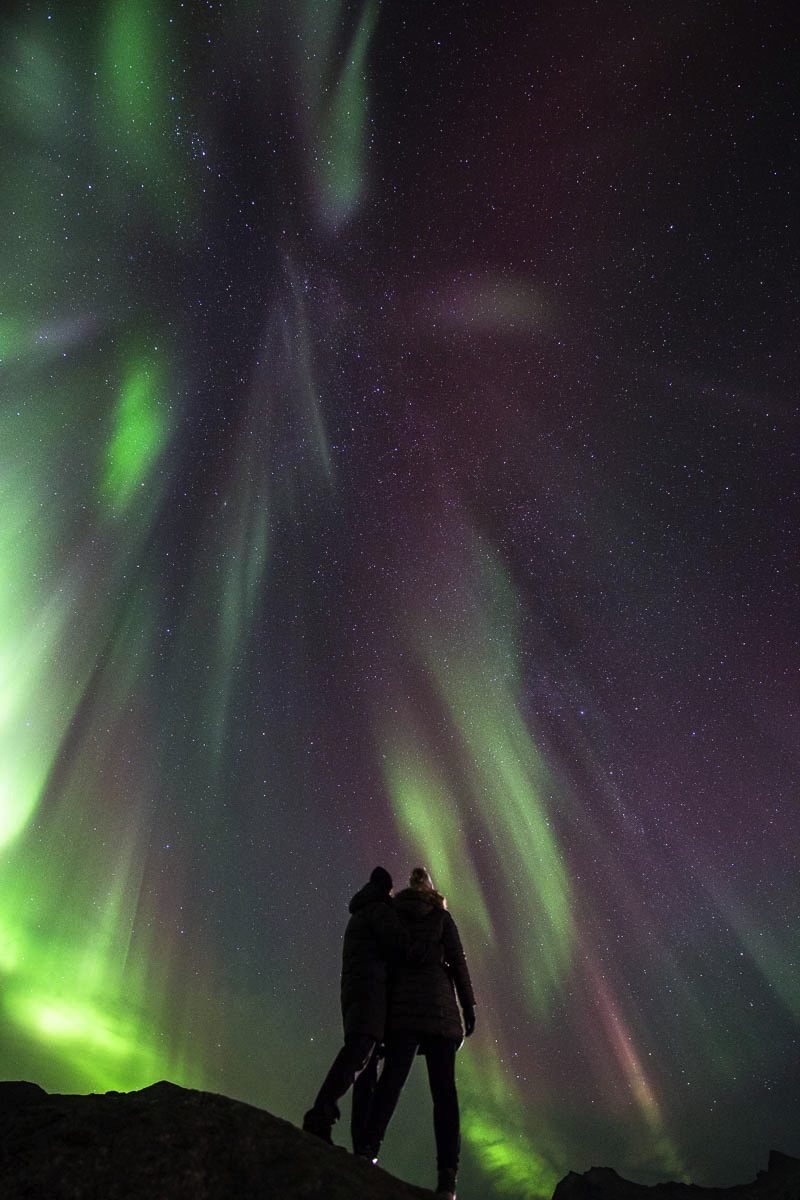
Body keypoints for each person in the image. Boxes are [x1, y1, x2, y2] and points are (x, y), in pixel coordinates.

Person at [360, 866, 476, 1200]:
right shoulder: (442, 919)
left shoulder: (393, 917)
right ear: (432, 891)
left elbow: (386, 965)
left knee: (391, 1082)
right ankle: (447, 1178)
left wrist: (379, 1019)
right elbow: (459, 964)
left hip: (403, 1011)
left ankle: (368, 1150)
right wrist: (469, 1007)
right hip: (440, 1011)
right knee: (445, 1094)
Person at [302, 865, 430, 1147]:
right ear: (386, 889)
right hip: (368, 994)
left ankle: (356, 1138)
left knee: (365, 1065)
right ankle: (321, 1114)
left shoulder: (364, 910)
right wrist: (427, 950)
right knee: (359, 1054)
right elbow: (399, 944)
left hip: (358, 993)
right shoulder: (378, 910)